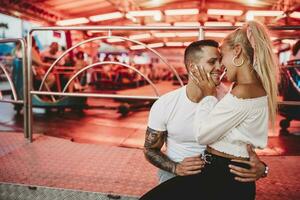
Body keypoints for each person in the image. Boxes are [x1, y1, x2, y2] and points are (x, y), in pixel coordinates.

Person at [140, 20, 277, 200]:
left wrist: (262, 168)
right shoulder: (166, 104)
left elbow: (240, 144)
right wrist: (176, 167)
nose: (220, 67)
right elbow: (150, 149)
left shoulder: (230, 97)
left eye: (221, 60)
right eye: (212, 61)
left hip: (215, 174)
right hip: (177, 172)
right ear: (192, 67)